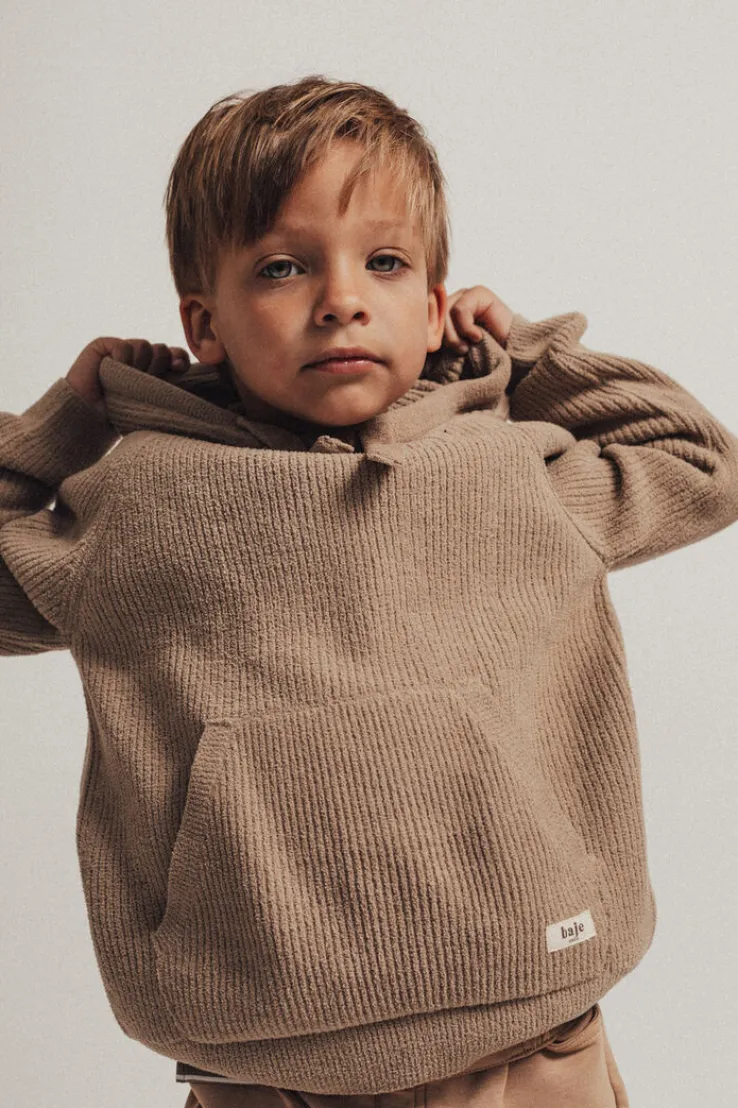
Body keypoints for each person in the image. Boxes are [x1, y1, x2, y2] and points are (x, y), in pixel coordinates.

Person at [2, 74, 738, 1108]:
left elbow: (705, 464)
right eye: (282, 266)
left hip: (528, 1033)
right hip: (258, 1055)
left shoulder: (509, 473)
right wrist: (69, 420)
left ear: (435, 309)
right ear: (204, 325)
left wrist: (528, 352)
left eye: (384, 262)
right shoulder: (140, 508)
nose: (341, 298)